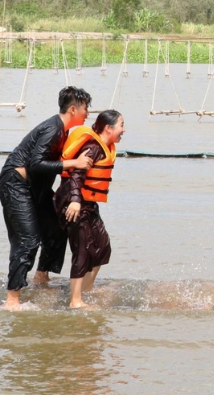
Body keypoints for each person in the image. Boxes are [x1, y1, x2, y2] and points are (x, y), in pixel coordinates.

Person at [0, 86, 93, 310]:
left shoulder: (64, 131)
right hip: (15, 184)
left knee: (57, 227)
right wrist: (73, 163)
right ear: (73, 109)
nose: (88, 113)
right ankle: (12, 299)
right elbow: (35, 164)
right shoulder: (52, 129)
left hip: (35, 188)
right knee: (28, 240)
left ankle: (41, 277)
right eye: (86, 109)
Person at [54, 110, 124, 309]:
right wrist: (75, 201)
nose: (123, 129)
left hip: (88, 204)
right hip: (73, 203)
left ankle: (87, 288)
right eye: (121, 125)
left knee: (103, 245)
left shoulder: (105, 147)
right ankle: (75, 301)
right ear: (108, 128)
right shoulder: (93, 147)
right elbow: (76, 176)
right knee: (82, 248)